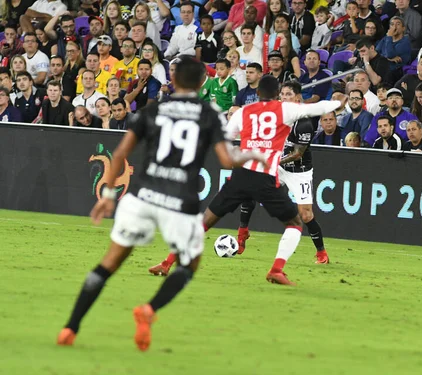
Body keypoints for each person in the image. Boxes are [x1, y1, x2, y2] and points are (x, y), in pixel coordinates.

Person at [56, 57, 263, 351]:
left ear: (175, 81)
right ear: (203, 82)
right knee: (188, 265)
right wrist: (251, 156)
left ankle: (70, 328)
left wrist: (109, 197)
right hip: (180, 203)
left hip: (142, 197)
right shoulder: (209, 113)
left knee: (108, 264)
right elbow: (228, 159)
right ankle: (149, 310)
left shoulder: (154, 109)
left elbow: (120, 154)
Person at [148, 75, 340, 284]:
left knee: (203, 223)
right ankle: (276, 269)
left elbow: (223, 137)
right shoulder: (285, 110)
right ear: (277, 94)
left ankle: (166, 263)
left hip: (240, 176)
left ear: (257, 93)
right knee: (294, 223)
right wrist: (339, 102)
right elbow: (318, 108)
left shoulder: (243, 112)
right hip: (265, 178)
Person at [234, 81, 331, 263]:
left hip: (298, 170)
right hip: (277, 166)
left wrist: (276, 159)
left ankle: (321, 252)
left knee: (306, 214)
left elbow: (298, 154)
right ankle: (242, 233)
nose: (284, 97)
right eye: (283, 94)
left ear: (297, 98)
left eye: (288, 94)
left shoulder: (303, 123)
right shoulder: (274, 116)